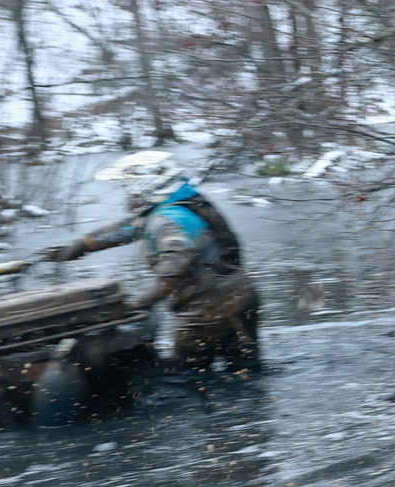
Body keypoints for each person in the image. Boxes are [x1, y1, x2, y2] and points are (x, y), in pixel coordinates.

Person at [51, 151, 262, 372]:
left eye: (131, 187)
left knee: (188, 377)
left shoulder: (166, 220)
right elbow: (127, 228)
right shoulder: (185, 202)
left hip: (207, 312)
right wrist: (82, 245)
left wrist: (139, 302)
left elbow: (177, 262)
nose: (130, 195)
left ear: (146, 184)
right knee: (245, 370)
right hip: (243, 296)